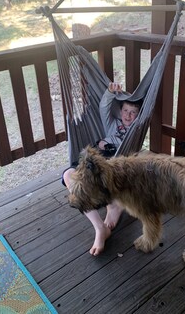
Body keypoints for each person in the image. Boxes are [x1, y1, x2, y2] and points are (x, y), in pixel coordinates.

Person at [62, 82, 142, 256]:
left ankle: (114, 207)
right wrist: (109, 92)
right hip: (93, 162)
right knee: (69, 175)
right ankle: (100, 227)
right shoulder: (112, 125)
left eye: (133, 112)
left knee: (100, 182)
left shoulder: (135, 131)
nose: (128, 115)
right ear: (120, 111)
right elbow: (104, 108)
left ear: (138, 116)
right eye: (126, 111)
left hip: (112, 168)